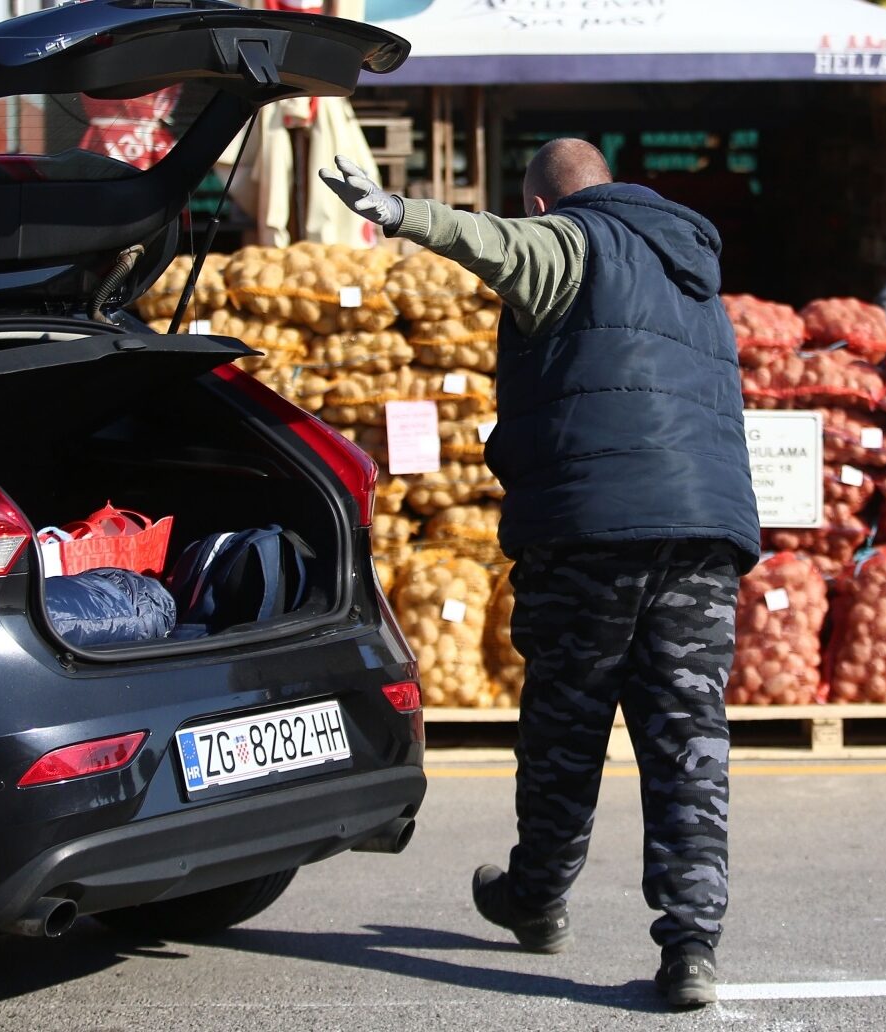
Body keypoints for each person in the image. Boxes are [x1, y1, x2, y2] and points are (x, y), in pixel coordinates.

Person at [320, 140, 761, 1009]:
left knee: (567, 726)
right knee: (688, 742)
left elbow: (490, 245)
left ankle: (538, 898)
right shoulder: (692, 267)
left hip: (593, 526)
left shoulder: (571, 242)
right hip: (705, 532)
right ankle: (691, 948)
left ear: (539, 202)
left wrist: (397, 211)